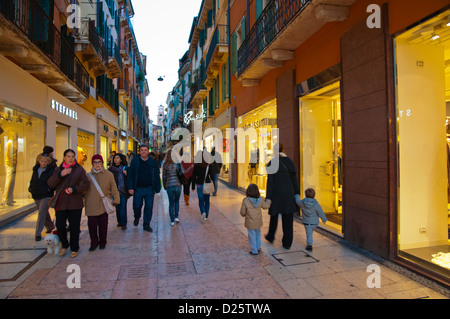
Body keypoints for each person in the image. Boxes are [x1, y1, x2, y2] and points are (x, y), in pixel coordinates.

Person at [47, 149, 90, 258]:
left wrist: (74, 189)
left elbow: (85, 185)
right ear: (64, 157)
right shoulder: (58, 170)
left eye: (72, 156)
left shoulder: (79, 170)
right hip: (61, 203)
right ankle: (64, 245)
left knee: (75, 227)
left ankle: (74, 248)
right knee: (60, 225)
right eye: (68, 156)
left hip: (75, 203)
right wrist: (61, 174)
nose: (70, 158)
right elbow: (51, 184)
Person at [265, 143, 300, 249]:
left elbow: (270, 182)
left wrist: (268, 198)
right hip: (288, 193)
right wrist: (297, 194)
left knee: (274, 217)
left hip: (276, 193)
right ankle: (287, 243)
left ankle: (271, 236)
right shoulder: (290, 162)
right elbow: (294, 180)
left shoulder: (272, 163)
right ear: (283, 149)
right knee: (288, 219)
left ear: (274, 151)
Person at [85, 155, 120, 251]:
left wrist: (116, 199)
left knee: (103, 225)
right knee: (92, 225)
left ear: (102, 163)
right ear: (92, 164)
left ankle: (102, 241)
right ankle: (94, 242)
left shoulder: (109, 175)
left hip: (104, 204)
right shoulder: (88, 176)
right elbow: (83, 190)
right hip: (91, 204)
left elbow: (114, 188)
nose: (97, 164)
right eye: (95, 162)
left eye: (99, 162)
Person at [127, 144, 161, 232]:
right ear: (139, 151)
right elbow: (130, 175)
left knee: (149, 207)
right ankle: (137, 216)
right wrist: (130, 187)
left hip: (149, 188)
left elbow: (156, 175)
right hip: (138, 188)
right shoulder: (135, 161)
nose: (143, 151)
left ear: (148, 151)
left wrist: (158, 188)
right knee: (137, 206)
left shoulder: (152, 162)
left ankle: (146, 224)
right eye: (142, 150)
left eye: (145, 150)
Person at [28, 154, 55, 241]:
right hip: (36, 194)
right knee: (43, 211)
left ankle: (37, 233)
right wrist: (31, 188)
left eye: (45, 161)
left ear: (48, 162)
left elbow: (53, 182)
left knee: (41, 214)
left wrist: (49, 189)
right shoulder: (35, 169)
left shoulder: (50, 171)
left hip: (46, 195)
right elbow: (33, 180)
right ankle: (50, 226)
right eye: (42, 161)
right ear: (39, 161)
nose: (43, 163)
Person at [240, 184, 271, 255]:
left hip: (250, 222)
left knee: (251, 236)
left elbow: (242, 212)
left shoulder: (245, 200)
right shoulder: (260, 200)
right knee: (258, 233)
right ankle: (258, 247)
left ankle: (254, 250)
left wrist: (244, 214)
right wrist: (269, 200)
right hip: (258, 222)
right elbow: (266, 206)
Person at [192, 150, 214, 223]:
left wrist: (192, 186)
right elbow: (212, 176)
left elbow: (194, 176)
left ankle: (203, 212)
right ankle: (206, 216)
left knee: (201, 201)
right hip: (207, 185)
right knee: (207, 201)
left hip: (199, 185)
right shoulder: (209, 165)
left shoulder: (196, 165)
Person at [108, 153, 130, 230]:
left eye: (117, 158)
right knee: (118, 208)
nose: (116, 159)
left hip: (123, 191)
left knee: (123, 208)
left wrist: (127, 174)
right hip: (115, 192)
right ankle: (119, 222)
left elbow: (130, 179)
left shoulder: (125, 168)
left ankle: (124, 224)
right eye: (115, 158)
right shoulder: (110, 170)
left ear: (121, 159)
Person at [162, 149, 184, 226]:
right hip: (178, 185)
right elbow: (183, 172)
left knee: (171, 203)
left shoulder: (165, 165)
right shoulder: (178, 163)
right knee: (177, 201)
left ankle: (171, 220)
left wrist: (164, 185)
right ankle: (176, 217)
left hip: (169, 185)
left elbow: (164, 176)